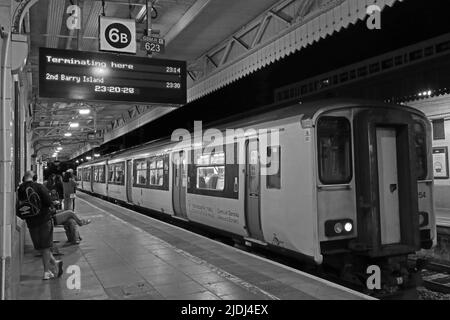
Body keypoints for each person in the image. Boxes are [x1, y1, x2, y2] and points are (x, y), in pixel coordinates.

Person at [17, 171, 63, 280]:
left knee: (40, 247)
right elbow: (48, 202)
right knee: (46, 247)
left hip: (31, 223)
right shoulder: (39, 187)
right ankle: (47, 272)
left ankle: (55, 263)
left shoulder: (20, 190)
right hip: (44, 220)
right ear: (34, 177)